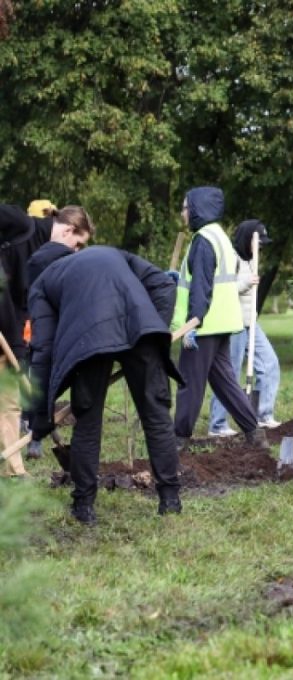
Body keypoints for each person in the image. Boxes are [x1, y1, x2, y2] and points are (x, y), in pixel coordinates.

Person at [26, 206, 183, 524]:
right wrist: (154, 330)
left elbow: (42, 350)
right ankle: (170, 500)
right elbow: (164, 286)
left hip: (89, 342)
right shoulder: (111, 253)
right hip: (140, 329)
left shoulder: (41, 284)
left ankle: (83, 507)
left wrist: (40, 416)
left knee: (88, 422)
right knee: (156, 415)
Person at [171, 187, 269, 453]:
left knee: (190, 383)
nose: (183, 213)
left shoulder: (203, 240)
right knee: (225, 382)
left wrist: (193, 322)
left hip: (203, 326)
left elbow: (202, 285)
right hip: (223, 322)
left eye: (185, 207)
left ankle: (178, 440)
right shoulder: (220, 237)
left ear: (197, 209)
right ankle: (254, 433)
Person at [207, 220, 281, 435]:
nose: (260, 248)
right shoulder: (231, 259)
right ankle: (218, 425)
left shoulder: (252, 260)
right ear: (246, 239)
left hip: (250, 323)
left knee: (269, 364)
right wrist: (246, 283)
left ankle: (262, 415)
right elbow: (222, 290)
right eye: (258, 243)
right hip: (233, 323)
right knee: (228, 374)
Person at [0, 204, 53, 476]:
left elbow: (16, 303)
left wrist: (18, 349)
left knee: (8, 401)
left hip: (7, 333)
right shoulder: (19, 226)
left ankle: (12, 469)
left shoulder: (40, 256)